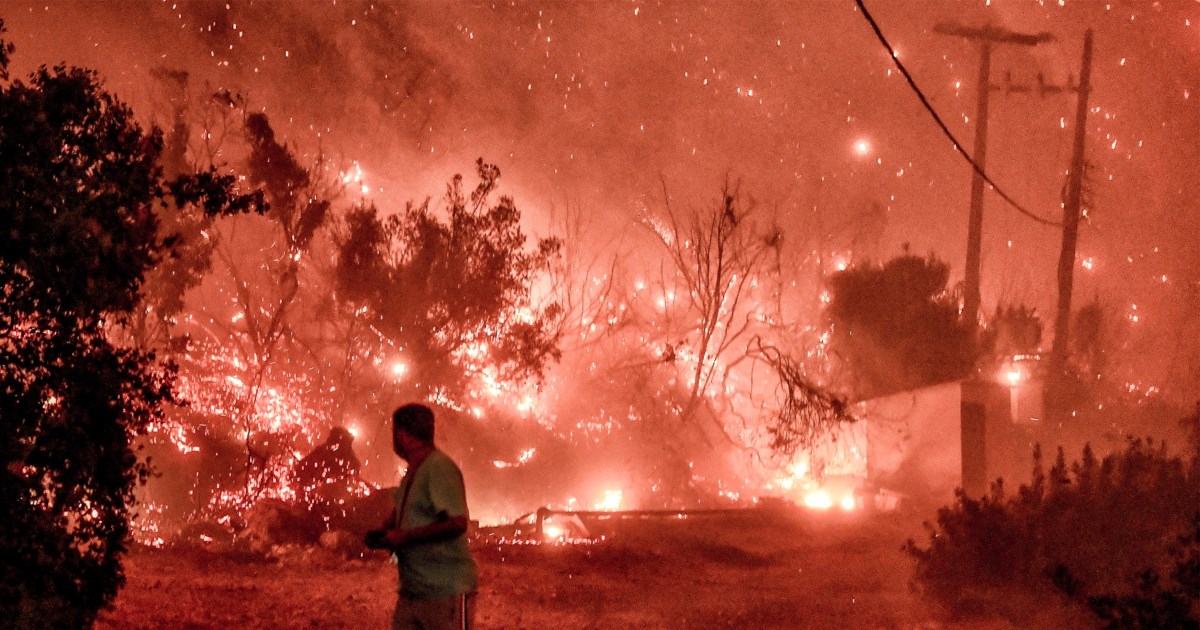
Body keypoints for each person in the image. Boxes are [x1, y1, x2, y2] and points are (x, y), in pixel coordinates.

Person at [366, 403, 478, 630]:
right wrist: (387, 532)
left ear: (404, 437)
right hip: (413, 591)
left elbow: (457, 523)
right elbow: (409, 516)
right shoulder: (412, 475)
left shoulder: (439, 468)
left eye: (395, 434)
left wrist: (405, 537)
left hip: (445, 591)